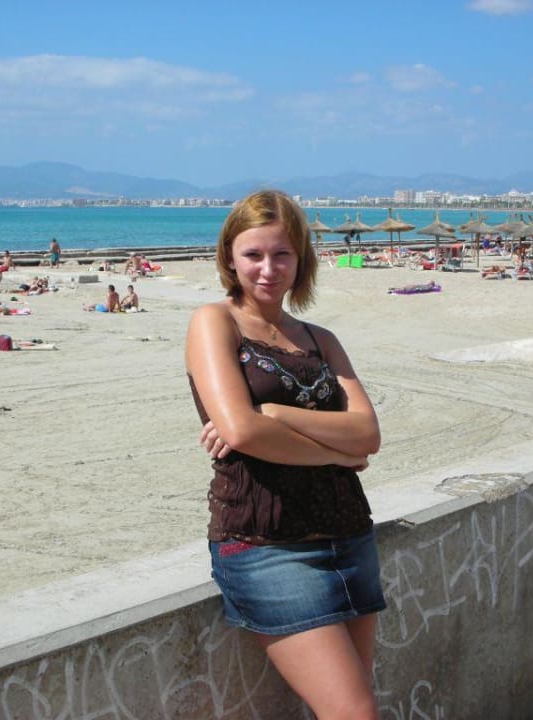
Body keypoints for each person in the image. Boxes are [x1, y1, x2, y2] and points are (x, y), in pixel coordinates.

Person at [185, 189, 383, 720]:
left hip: (350, 536)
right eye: (253, 254)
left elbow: (367, 432)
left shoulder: (320, 339)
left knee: (346, 708)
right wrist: (336, 455)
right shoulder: (215, 322)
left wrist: (278, 415)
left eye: (282, 254)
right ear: (230, 257)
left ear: (301, 260)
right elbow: (242, 433)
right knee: (355, 713)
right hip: (267, 546)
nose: (268, 268)